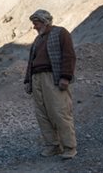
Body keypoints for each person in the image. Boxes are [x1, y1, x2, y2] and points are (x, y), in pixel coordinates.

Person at [24, 9, 77, 159]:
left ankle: (69, 147)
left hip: (52, 77)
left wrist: (65, 77)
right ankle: (53, 146)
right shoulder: (37, 40)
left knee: (60, 112)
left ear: (44, 22)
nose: (34, 27)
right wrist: (27, 80)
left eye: (36, 23)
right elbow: (31, 62)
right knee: (42, 114)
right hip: (36, 79)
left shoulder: (61, 33)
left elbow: (69, 55)